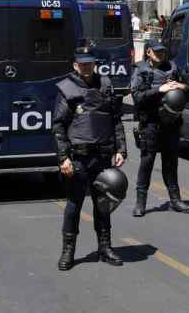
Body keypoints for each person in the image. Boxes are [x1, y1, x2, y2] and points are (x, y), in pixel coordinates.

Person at [53, 47, 128, 271]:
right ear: (75, 65)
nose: (86, 67)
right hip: (78, 158)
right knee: (74, 206)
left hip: (103, 156)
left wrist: (120, 150)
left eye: (90, 63)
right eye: (82, 64)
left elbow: (115, 119)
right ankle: (68, 251)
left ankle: (105, 248)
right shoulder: (67, 88)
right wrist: (63, 158)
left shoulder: (105, 85)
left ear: (94, 63)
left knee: (103, 205)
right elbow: (59, 126)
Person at [130, 40, 189, 216]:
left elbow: (188, 94)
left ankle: (176, 200)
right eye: (157, 51)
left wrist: (183, 87)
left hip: (171, 124)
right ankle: (140, 203)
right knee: (147, 162)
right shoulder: (140, 70)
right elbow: (137, 98)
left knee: (171, 163)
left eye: (163, 51)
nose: (161, 54)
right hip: (150, 123)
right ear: (148, 52)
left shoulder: (172, 68)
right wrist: (160, 89)